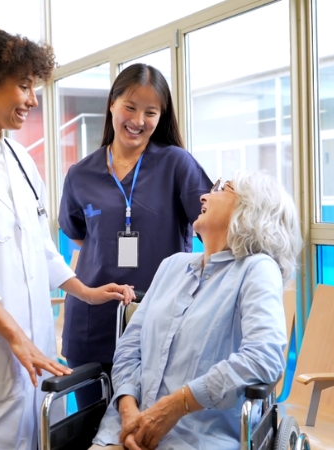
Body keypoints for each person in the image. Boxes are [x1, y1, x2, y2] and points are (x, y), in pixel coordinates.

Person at [0, 6, 134, 449]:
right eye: (25, 86)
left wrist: (85, 292)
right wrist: (16, 338)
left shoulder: (20, 160)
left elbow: (40, 249)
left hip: (31, 358)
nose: (33, 100)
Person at [89, 171, 302, 450]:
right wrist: (129, 411)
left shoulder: (257, 269)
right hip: (124, 430)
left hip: (198, 439)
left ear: (250, 209)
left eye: (221, 189)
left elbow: (265, 357)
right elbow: (129, 347)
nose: (204, 196)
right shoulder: (172, 266)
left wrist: (177, 405)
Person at [58, 64, 214, 407]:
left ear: (161, 117)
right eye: (130, 107)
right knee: (94, 434)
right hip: (92, 327)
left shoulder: (177, 165)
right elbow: (81, 240)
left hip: (160, 323)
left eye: (150, 112)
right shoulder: (80, 174)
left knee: (150, 433)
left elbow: (215, 227)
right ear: (112, 104)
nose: (138, 120)